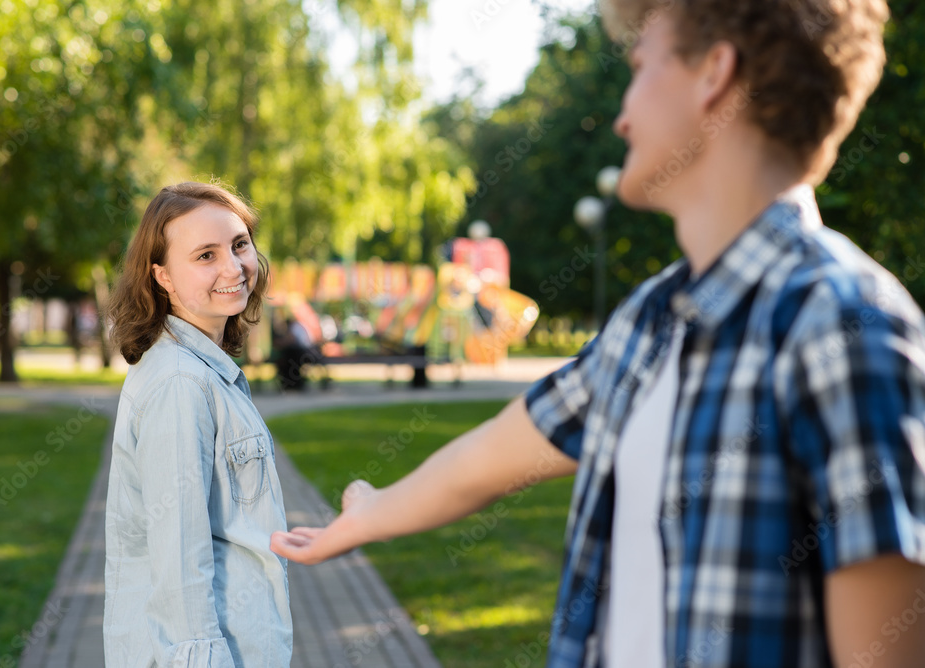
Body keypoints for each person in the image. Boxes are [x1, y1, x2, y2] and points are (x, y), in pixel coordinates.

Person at [271, 1, 925, 666]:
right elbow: (493, 457)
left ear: (714, 76)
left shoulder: (844, 325)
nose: (621, 114)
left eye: (641, 66)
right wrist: (371, 511)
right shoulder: (651, 321)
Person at [104, 182, 291, 667]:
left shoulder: (200, 368)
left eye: (239, 244)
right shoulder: (181, 383)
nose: (233, 267)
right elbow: (179, 562)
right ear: (162, 276)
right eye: (205, 255)